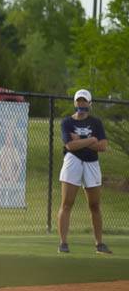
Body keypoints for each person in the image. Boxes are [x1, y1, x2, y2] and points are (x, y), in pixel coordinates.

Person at [57, 89, 111, 255]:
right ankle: (63, 243)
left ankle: (99, 244)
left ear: (90, 104)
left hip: (91, 163)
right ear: (75, 103)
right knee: (67, 203)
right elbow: (70, 146)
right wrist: (91, 140)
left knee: (94, 205)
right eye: (79, 101)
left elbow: (103, 146)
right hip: (72, 161)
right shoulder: (67, 122)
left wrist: (80, 141)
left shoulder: (96, 123)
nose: (81, 104)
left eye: (84, 101)